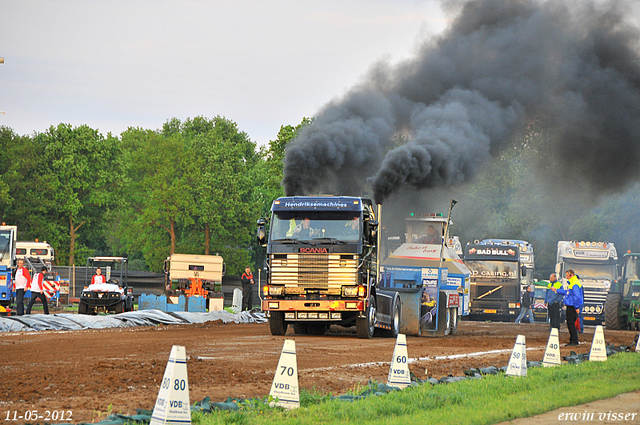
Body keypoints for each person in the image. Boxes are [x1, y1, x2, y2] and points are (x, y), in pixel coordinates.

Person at [553, 269, 583, 346]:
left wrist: (576, 307)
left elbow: (577, 296)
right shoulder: (573, 283)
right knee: (570, 323)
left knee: (571, 323)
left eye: (567, 275)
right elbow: (567, 292)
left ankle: (574, 340)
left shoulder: (574, 284)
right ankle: (573, 339)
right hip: (571, 305)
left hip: (572, 305)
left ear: (571, 275)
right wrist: (557, 290)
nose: (566, 277)